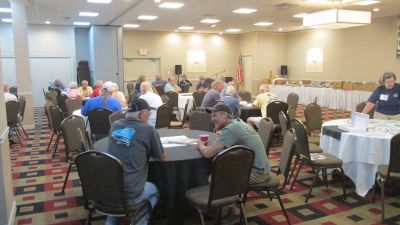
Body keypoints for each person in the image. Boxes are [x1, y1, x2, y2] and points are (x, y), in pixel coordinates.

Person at [106, 98, 167, 225]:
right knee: (156, 190)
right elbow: (161, 157)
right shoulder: (148, 130)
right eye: (149, 112)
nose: (150, 115)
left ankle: (111, 220)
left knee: (117, 197)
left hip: (109, 190)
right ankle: (141, 221)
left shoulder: (115, 125)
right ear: (141, 114)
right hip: (132, 193)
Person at [197, 102, 271, 183]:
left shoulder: (231, 129)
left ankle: (229, 195)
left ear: (224, 115)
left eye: (214, 115)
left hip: (257, 174)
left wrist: (200, 144)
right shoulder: (238, 122)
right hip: (262, 169)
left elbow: (208, 153)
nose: (212, 120)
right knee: (222, 164)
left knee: (214, 178)